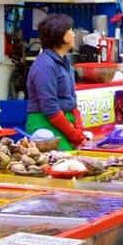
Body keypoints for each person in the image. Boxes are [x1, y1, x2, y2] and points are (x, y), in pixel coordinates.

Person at [23, 15, 83, 150]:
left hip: (63, 122)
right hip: (44, 126)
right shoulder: (45, 65)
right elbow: (50, 107)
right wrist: (73, 134)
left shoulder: (64, 61)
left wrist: (78, 125)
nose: (73, 34)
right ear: (61, 35)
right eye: (70, 30)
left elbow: (71, 97)